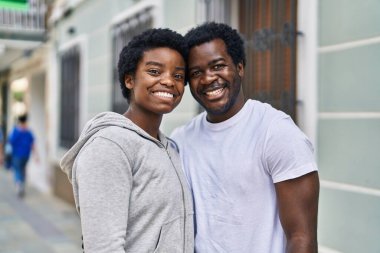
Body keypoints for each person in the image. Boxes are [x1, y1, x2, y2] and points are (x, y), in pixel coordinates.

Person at [171, 22, 320, 253]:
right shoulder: (181, 139)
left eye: (218, 66)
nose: (209, 78)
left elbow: (302, 238)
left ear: (239, 67)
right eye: (196, 72)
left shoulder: (275, 131)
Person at [60, 28, 194, 253]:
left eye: (178, 76)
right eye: (154, 71)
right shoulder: (109, 146)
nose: (169, 81)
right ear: (129, 79)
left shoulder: (169, 147)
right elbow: (104, 248)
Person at [8, 114, 36, 197]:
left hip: (16, 154)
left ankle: (19, 184)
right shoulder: (28, 131)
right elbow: (32, 144)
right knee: (23, 169)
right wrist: (36, 155)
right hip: (26, 155)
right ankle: (22, 185)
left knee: (17, 170)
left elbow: (10, 141)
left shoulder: (15, 131)